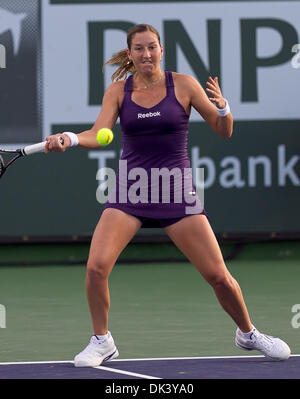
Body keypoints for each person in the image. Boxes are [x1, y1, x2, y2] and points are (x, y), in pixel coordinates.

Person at [46, 24, 291, 367]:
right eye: (139, 49)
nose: (146, 54)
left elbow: (225, 131)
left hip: (175, 189)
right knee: (96, 268)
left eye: (152, 47)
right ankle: (101, 341)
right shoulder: (119, 91)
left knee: (219, 277)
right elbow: (98, 131)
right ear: (130, 54)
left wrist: (223, 108)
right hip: (130, 190)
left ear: (161, 50)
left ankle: (248, 333)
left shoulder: (185, 85)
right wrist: (70, 139)